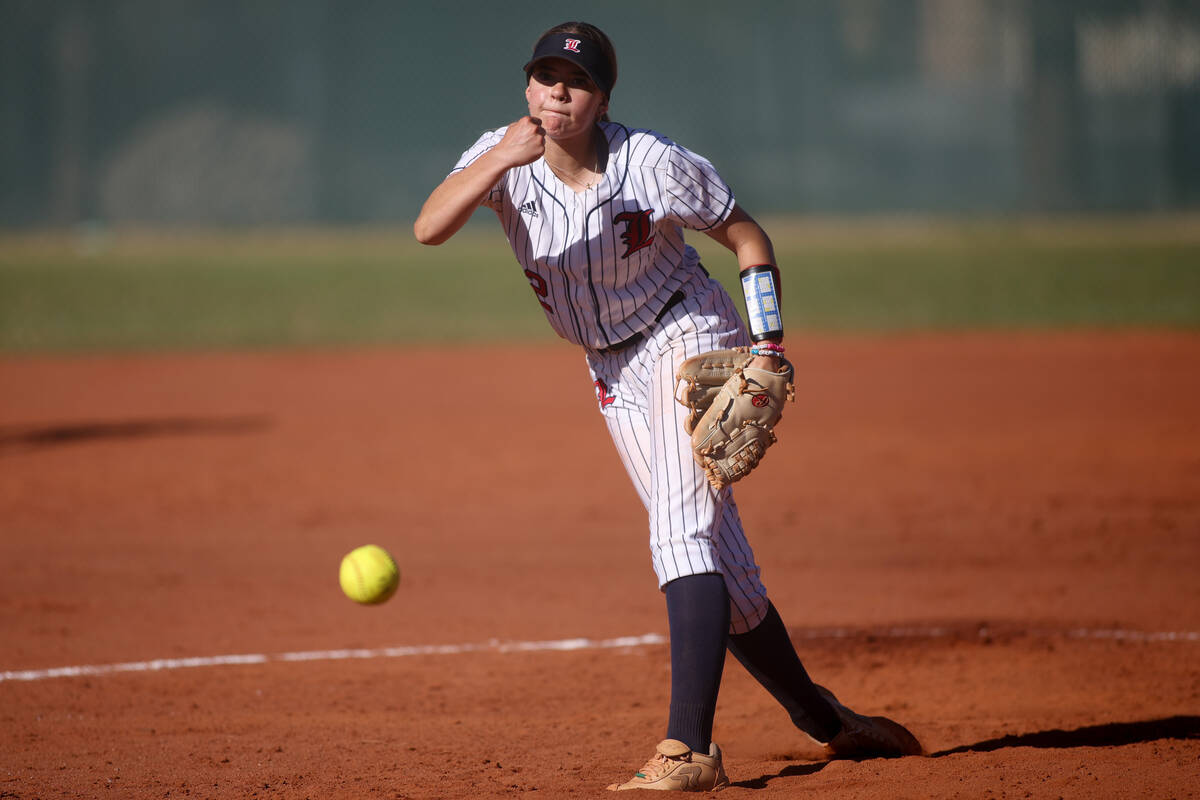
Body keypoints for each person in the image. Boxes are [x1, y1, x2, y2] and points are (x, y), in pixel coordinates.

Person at [414, 20, 923, 792]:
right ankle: (823, 718)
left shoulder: (652, 163)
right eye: (546, 76)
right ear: (527, 86)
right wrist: (497, 160)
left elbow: (747, 236)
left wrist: (770, 346)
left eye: (577, 81)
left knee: (679, 532)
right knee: (727, 572)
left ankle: (689, 750)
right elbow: (428, 228)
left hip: (686, 331)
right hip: (611, 371)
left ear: (603, 98)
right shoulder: (503, 156)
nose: (559, 92)